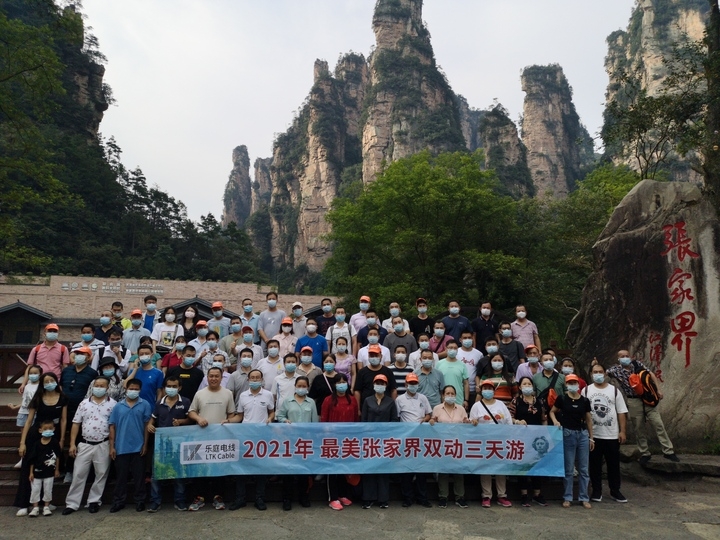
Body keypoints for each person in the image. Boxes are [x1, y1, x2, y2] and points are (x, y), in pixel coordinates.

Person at [607, 349, 679, 464]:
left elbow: (650, 374)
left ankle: (668, 451)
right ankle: (645, 453)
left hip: (647, 398)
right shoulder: (615, 370)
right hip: (633, 400)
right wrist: (594, 365)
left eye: (627, 355)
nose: (625, 358)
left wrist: (658, 389)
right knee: (638, 427)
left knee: (658, 424)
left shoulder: (636, 364)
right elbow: (602, 373)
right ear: (618, 359)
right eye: (622, 356)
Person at [187, 367, 239, 512]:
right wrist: (198, 418)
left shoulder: (228, 393)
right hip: (201, 438)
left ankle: (218, 497)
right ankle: (199, 498)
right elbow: (191, 412)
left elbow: (232, 414)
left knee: (219, 469)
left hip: (220, 438)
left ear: (222, 377)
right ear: (207, 377)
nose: (214, 378)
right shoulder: (200, 394)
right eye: (211, 376)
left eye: (217, 376)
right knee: (200, 468)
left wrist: (228, 421)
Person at [63, 376, 116, 515]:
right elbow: (76, 423)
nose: (99, 388)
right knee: (78, 474)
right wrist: (72, 444)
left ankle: (94, 501)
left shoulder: (113, 404)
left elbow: (113, 426)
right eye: (96, 385)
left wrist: (112, 446)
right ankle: (72, 503)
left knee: (101, 474)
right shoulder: (84, 403)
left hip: (103, 444)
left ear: (107, 388)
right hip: (85, 444)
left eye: (102, 385)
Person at [16, 372, 67, 516]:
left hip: (53, 435)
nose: (49, 383)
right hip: (35, 435)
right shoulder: (38, 398)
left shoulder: (62, 398)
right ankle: (24, 504)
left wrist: (62, 439)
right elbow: (28, 420)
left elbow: (63, 420)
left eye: (52, 380)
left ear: (56, 382)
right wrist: (22, 443)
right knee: (28, 468)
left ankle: (45, 503)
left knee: (48, 469)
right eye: (46, 381)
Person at [583, 362, 628, 504]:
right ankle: (596, 491)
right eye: (595, 372)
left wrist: (622, 431)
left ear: (605, 374)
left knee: (613, 465)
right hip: (594, 435)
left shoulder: (614, 391)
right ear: (591, 374)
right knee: (594, 465)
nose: (598, 374)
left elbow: (621, 412)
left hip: (612, 434)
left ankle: (615, 491)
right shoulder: (585, 391)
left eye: (600, 371)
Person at [231, 369, 274, 512]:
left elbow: (271, 411)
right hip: (245, 436)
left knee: (261, 469)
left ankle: (259, 498)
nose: (255, 380)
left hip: (262, 436)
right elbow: (239, 416)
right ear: (248, 380)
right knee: (241, 469)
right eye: (252, 378)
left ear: (262, 380)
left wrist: (270, 418)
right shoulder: (243, 396)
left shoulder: (267, 395)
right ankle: (240, 499)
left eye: (257, 378)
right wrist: (228, 421)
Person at [147, 376, 191, 512]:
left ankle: (180, 500)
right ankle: (155, 501)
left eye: (174, 386)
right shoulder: (159, 403)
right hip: (161, 444)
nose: (171, 389)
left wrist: (181, 422)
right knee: (156, 474)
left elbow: (190, 420)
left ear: (179, 388)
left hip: (179, 444)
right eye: (169, 386)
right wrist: (149, 425)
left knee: (179, 473)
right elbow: (152, 420)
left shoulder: (185, 402)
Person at [549, 374, 593, 509]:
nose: (572, 385)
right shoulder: (562, 398)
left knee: (584, 468)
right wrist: (556, 421)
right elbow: (552, 412)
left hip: (582, 434)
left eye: (575, 382)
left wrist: (592, 437)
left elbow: (589, 419)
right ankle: (567, 497)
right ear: (566, 385)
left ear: (578, 384)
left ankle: (584, 497)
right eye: (570, 383)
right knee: (568, 468)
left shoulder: (584, 401)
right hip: (567, 433)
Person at [108, 378, 153, 512]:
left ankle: (140, 501)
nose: (133, 391)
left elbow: (146, 426)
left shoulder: (145, 404)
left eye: (136, 389)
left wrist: (145, 444)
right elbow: (112, 426)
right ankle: (118, 501)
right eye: (131, 389)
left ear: (140, 390)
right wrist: (112, 446)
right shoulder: (118, 406)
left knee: (139, 477)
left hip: (138, 447)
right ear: (126, 389)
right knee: (121, 477)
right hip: (121, 447)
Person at [470, 380, 513, 508]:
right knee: (485, 468)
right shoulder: (477, 406)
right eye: (485, 388)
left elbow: (508, 422)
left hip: (500, 441)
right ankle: (486, 495)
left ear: (494, 390)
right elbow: (472, 423)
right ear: (481, 391)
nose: (487, 390)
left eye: (490, 388)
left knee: (500, 468)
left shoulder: (501, 405)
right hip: (483, 442)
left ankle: (502, 495)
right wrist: (474, 422)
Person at [276, 376, 317, 510]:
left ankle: (303, 497)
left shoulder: (310, 402)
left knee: (303, 472)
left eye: (304, 386)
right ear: (295, 386)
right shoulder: (288, 401)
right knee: (288, 472)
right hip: (290, 441)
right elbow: (280, 416)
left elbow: (314, 422)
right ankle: (287, 499)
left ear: (307, 387)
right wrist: (284, 421)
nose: (301, 388)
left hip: (305, 442)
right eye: (299, 386)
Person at [508, 376, 548, 507]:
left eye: (529, 384)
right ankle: (524, 495)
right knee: (523, 466)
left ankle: (537, 494)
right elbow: (510, 417)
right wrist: (517, 422)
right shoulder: (516, 401)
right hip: (521, 438)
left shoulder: (539, 402)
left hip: (537, 440)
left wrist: (545, 432)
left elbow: (543, 418)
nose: (527, 386)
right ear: (519, 387)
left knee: (537, 465)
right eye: (524, 384)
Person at [61, 345, 98, 483]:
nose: (79, 356)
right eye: (77, 354)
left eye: (82, 354)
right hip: (64, 410)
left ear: (89, 358)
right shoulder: (66, 371)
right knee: (59, 439)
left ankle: (71, 471)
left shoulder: (92, 373)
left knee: (76, 441)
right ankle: (56, 468)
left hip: (82, 413)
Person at [321, 374, 358, 510]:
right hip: (332, 440)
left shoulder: (353, 400)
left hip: (347, 440)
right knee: (332, 470)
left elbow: (355, 420)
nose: (342, 384)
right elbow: (323, 420)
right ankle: (333, 498)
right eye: (339, 382)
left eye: (344, 382)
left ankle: (342, 494)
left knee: (344, 468)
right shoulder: (328, 400)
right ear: (334, 384)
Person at [361, 374, 398, 509]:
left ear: (386, 385)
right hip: (370, 441)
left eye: (382, 383)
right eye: (377, 383)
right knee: (369, 469)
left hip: (385, 441)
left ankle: (383, 499)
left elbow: (394, 420)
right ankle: (368, 498)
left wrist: (386, 431)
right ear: (373, 384)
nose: (380, 385)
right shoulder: (367, 400)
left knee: (383, 469)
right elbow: (363, 420)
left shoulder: (390, 402)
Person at [395, 373, 432, 508]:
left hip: (421, 438)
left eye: (415, 383)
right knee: (407, 470)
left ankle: (422, 498)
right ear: (405, 385)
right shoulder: (399, 399)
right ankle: (407, 498)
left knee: (421, 470)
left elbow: (429, 414)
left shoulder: (423, 398)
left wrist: (425, 419)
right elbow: (397, 418)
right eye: (410, 383)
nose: (412, 386)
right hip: (407, 439)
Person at [430, 385, 469, 508]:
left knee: (458, 471)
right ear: (443, 395)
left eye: (452, 393)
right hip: (442, 444)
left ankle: (460, 497)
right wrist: (432, 421)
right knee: (443, 471)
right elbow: (433, 421)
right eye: (447, 393)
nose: (450, 396)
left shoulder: (461, 409)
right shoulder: (437, 408)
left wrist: (469, 422)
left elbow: (466, 424)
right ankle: (443, 497)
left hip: (458, 444)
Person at [19, 324, 69, 393]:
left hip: (55, 381)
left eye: (54, 331)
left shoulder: (63, 349)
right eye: (50, 331)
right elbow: (29, 367)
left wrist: (63, 384)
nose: (52, 333)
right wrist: (23, 384)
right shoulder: (36, 349)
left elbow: (65, 368)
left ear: (57, 333)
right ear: (45, 333)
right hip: (39, 381)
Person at [27, 420, 61, 517]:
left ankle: (46, 506)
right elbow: (32, 459)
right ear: (40, 430)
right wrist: (31, 473)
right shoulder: (37, 444)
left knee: (48, 489)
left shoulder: (54, 443)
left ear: (54, 429)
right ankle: (35, 507)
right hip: (37, 471)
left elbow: (58, 456)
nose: (48, 430)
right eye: (45, 429)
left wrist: (57, 469)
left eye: (50, 428)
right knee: (35, 489)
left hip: (49, 471)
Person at [353, 344, 397, 412]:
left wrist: (393, 407)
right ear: (368, 356)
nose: (374, 357)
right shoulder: (362, 372)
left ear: (381, 356)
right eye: (371, 355)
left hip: (386, 409)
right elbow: (357, 391)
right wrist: (358, 409)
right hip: (366, 409)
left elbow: (393, 390)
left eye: (376, 355)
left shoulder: (388, 371)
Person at [435, 340, 469, 409]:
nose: (452, 350)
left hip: (459, 400)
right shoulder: (439, 364)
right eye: (450, 348)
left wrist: (466, 400)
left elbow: (466, 383)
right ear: (446, 349)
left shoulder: (462, 365)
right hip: (443, 400)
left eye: (455, 348)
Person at [457, 330, 482, 406]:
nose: (467, 339)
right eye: (465, 338)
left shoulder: (479, 354)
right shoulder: (456, 352)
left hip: (473, 390)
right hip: (459, 389)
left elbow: (480, 372)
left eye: (469, 337)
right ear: (460, 340)